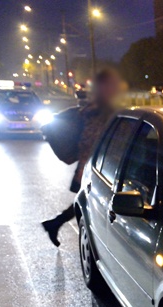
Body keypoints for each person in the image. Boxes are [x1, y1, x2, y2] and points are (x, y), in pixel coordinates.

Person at [41, 68, 125, 247]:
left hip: (97, 167)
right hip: (95, 169)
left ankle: (55, 224)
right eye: (112, 85)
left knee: (87, 202)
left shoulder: (101, 110)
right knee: (91, 205)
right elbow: (91, 140)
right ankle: (99, 245)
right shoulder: (97, 112)